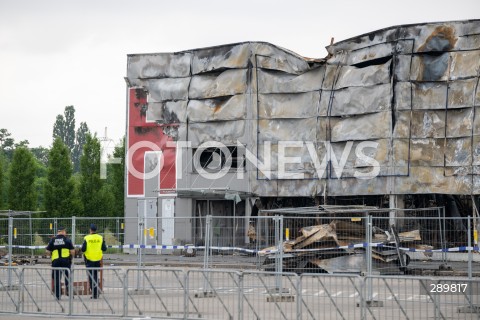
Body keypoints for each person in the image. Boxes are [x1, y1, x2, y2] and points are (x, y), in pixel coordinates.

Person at [45, 226, 75, 300]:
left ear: (58, 232)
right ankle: (70, 294)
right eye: (65, 231)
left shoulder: (53, 240)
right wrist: (71, 256)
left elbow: (47, 251)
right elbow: (72, 251)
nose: (66, 233)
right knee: (68, 277)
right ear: (63, 231)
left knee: (57, 278)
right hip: (66, 261)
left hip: (56, 261)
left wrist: (52, 255)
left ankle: (58, 296)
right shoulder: (67, 240)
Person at [81, 224, 106, 299]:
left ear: (90, 230)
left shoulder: (87, 238)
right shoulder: (100, 238)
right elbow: (104, 248)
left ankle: (95, 294)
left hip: (89, 260)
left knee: (91, 277)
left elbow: (83, 249)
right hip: (98, 260)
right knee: (95, 276)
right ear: (96, 230)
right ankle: (96, 292)